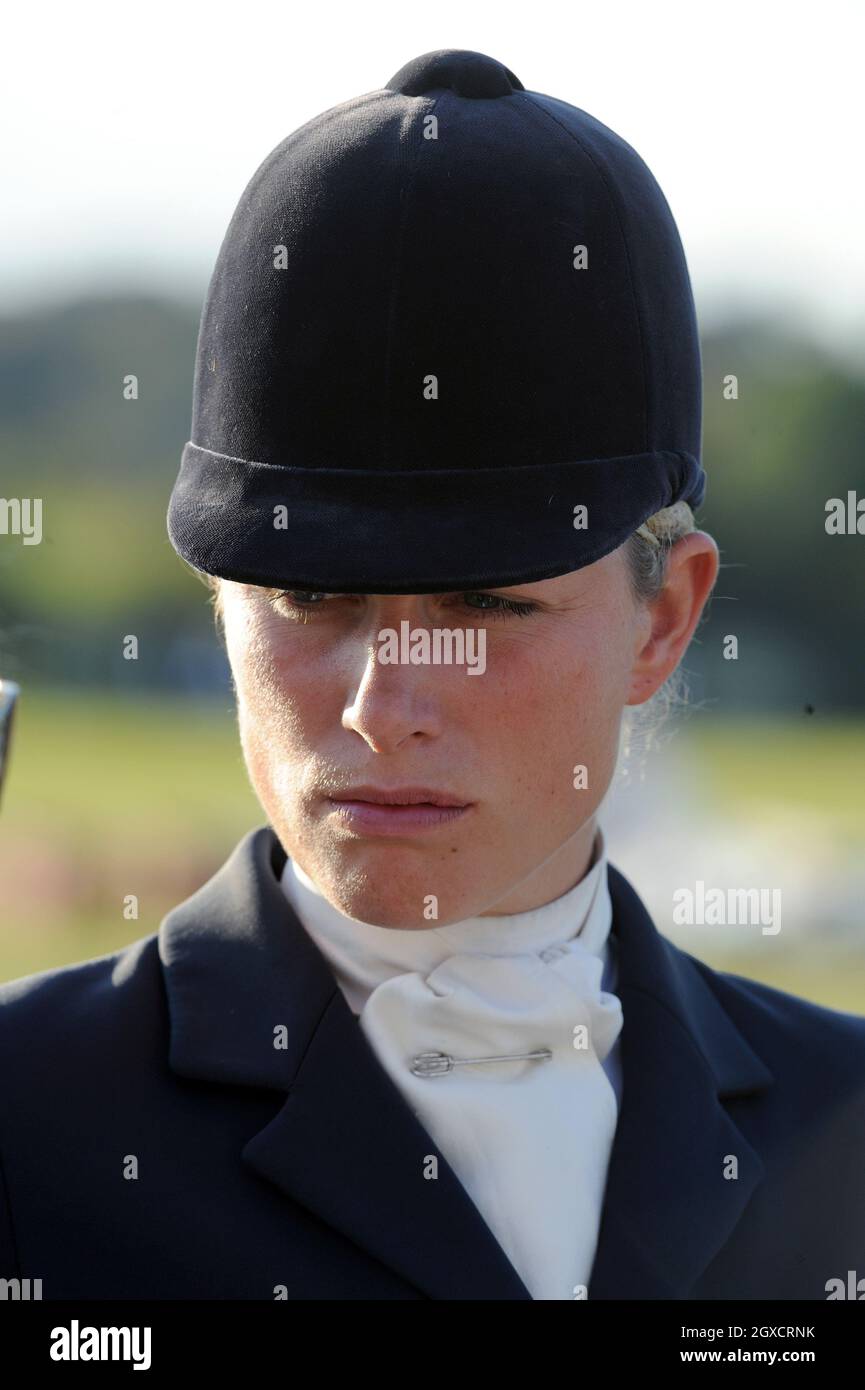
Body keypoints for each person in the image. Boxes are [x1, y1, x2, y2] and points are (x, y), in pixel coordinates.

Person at [1, 49, 863, 1302]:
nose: (379, 708)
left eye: (487, 603)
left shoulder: (845, 1134)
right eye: (309, 599)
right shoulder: (29, 1121)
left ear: (663, 619)